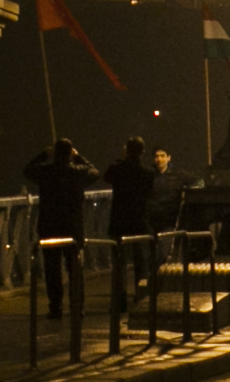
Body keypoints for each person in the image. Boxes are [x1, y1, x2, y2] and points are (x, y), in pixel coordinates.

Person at [21, 138, 98, 318]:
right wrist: (78, 157)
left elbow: (27, 170)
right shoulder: (78, 172)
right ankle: (77, 307)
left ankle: (55, 307)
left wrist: (44, 154)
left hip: (50, 226)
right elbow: (95, 172)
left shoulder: (45, 171)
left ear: (54, 153)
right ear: (70, 152)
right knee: (75, 270)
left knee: (52, 270)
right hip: (72, 227)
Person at [107, 131, 159, 292]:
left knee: (119, 263)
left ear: (127, 150)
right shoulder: (148, 172)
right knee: (141, 261)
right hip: (139, 221)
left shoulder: (118, 169)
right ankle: (141, 295)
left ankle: (120, 300)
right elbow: (150, 194)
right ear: (143, 152)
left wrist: (121, 158)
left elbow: (106, 176)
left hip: (119, 220)